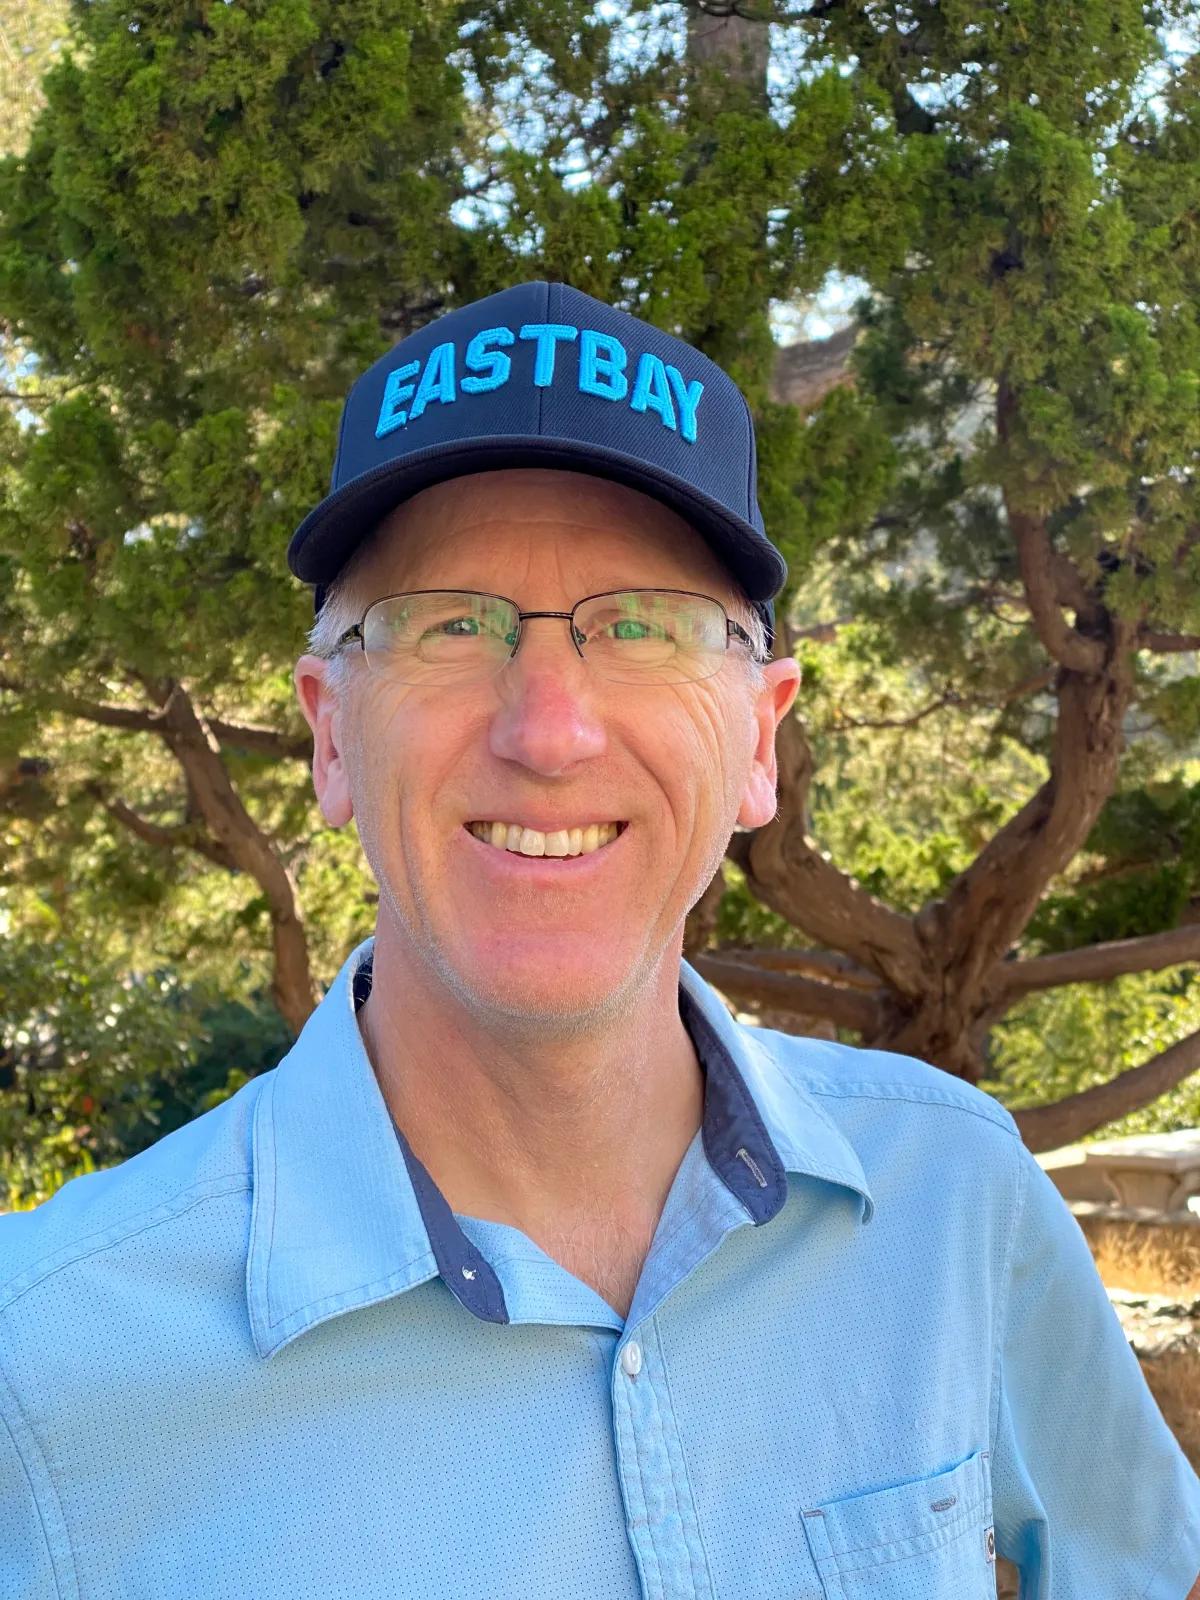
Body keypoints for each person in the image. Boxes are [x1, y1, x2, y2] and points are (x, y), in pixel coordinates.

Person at [1, 281, 1197, 1600]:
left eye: (645, 627)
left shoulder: (958, 1201)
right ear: (331, 734)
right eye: (450, 624)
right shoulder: (45, 1370)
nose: (551, 730)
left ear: (758, 739)